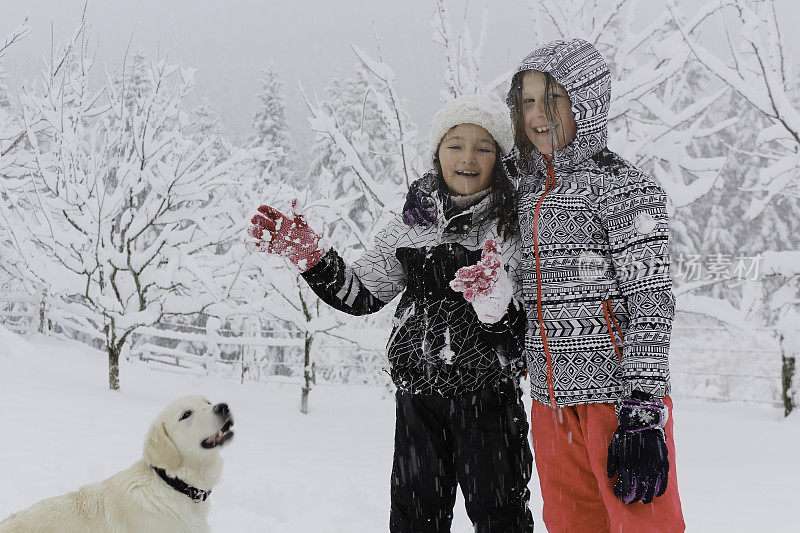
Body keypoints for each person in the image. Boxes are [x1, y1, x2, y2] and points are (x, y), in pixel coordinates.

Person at [404, 39, 686, 532]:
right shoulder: (524, 187)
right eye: (528, 101)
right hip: (550, 402)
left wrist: (642, 409)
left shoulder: (625, 189)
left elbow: (651, 300)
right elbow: (468, 172)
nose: (538, 114)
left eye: (552, 98)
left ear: (587, 102)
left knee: (644, 526)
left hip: (616, 402)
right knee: (571, 525)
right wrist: (428, 193)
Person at [247, 93, 535, 533]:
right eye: (455, 144)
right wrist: (312, 257)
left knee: (502, 522)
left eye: (484, 147)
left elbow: (528, 340)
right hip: (419, 402)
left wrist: (499, 310)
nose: (468, 158)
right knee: (413, 520)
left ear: (499, 158)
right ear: (437, 153)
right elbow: (362, 293)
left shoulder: (516, 226)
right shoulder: (410, 223)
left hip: (490, 406)